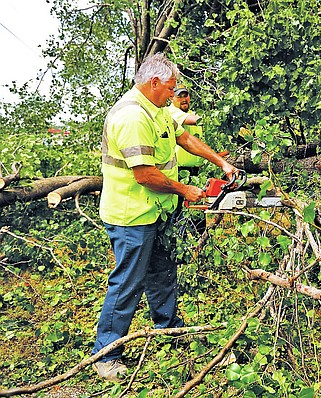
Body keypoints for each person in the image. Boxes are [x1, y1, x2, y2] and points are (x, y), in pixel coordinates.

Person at [92, 52, 238, 381]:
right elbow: (144, 174)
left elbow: (184, 138)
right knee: (127, 283)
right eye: (171, 88)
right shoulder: (132, 117)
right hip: (131, 215)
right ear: (154, 82)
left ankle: (168, 329)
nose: (174, 95)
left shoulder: (157, 108)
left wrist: (221, 163)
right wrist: (184, 190)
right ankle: (106, 354)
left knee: (162, 271)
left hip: (155, 212)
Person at [169, 84, 205, 176]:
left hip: (198, 170)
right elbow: (195, 120)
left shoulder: (193, 113)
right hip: (179, 171)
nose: (184, 100)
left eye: (185, 96)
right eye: (179, 97)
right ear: (171, 98)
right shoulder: (170, 112)